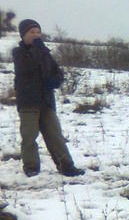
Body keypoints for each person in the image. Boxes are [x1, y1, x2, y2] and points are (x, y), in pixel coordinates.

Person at [13, 19, 84, 177]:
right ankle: (31, 167)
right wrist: (38, 49)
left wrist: (56, 80)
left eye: (38, 32)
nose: (36, 35)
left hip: (46, 102)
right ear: (23, 35)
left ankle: (66, 166)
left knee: (55, 135)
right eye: (32, 32)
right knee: (29, 136)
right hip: (28, 103)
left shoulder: (44, 53)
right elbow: (27, 67)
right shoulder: (19, 53)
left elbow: (56, 71)